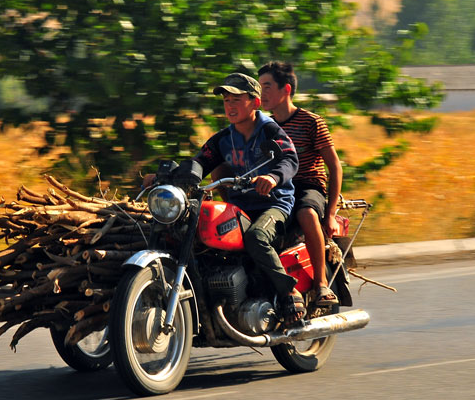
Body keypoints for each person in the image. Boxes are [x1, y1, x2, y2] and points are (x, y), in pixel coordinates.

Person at [145, 72, 305, 323]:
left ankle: (288, 291)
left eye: (236, 100)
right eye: (226, 100)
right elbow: (198, 164)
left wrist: (273, 178)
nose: (230, 106)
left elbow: (289, 159)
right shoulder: (223, 139)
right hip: (241, 205)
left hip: (274, 203)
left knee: (256, 236)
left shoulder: (269, 130)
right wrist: (163, 178)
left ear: (255, 102)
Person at [257, 61, 343, 307]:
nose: (262, 93)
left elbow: (335, 166)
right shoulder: (264, 126)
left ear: (286, 89)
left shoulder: (311, 121)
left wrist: (331, 213)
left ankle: (321, 284)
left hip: (308, 185)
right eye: (259, 87)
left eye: (267, 86)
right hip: (278, 187)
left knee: (306, 213)